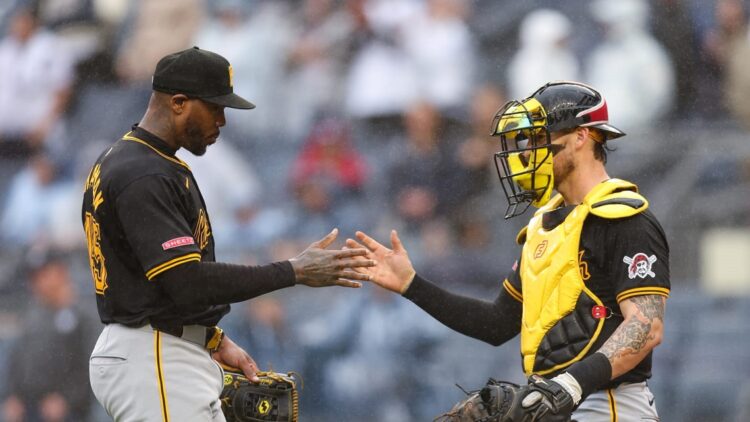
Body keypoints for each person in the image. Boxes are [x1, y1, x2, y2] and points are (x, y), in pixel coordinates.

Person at [81, 46, 375, 421]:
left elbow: (158, 286)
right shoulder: (145, 173)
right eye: (215, 107)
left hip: (161, 348)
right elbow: (185, 281)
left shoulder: (136, 161)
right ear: (179, 102)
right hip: (153, 355)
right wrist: (293, 271)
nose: (222, 120)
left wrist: (210, 338)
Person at [347, 81, 670, 420]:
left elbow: (647, 326)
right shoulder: (543, 224)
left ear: (581, 137)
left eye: (539, 137)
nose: (526, 151)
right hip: (552, 403)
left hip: (607, 405)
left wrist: (569, 386)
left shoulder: (624, 218)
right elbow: (497, 323)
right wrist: (413, 285)